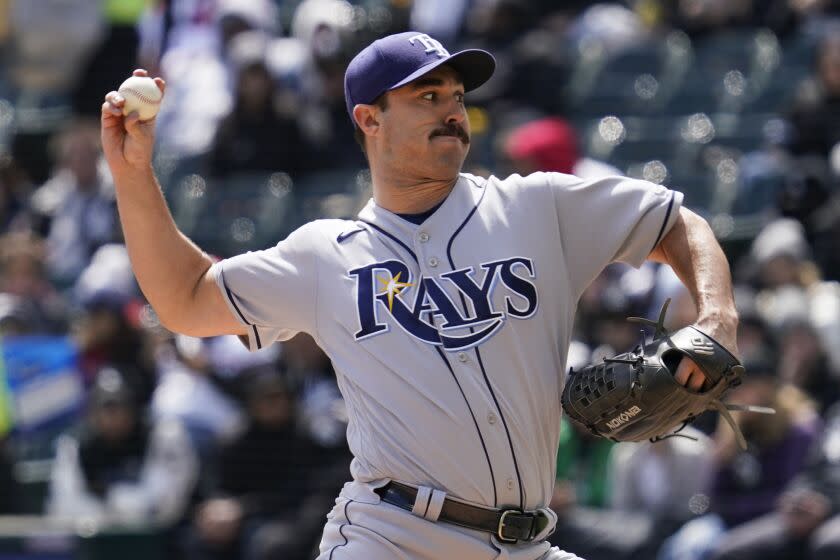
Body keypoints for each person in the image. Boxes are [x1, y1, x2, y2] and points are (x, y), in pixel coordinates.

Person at [100, 31, 739, 560]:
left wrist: (717, 318)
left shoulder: (537, 206)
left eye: (457, 96)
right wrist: (133, 176)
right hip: (393, 536)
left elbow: (676, 224)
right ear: (369, 119)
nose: (451, 110)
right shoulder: (327, 255)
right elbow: (186, 298)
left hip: (529, 541)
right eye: (427, 95)